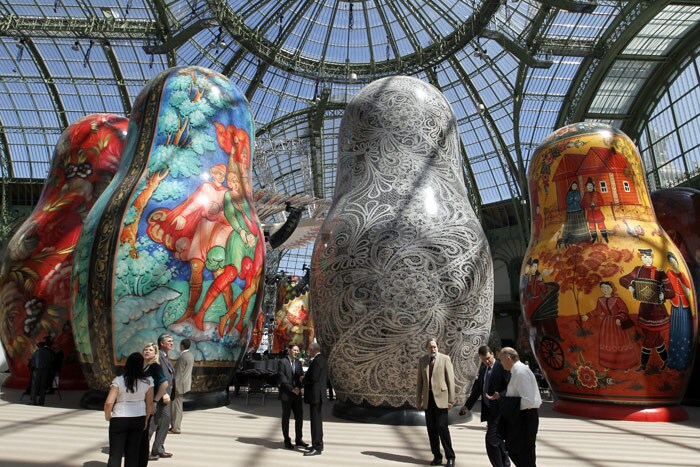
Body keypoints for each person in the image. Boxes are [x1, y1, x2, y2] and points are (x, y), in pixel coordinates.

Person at [146, 164, 232, 325]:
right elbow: (195, 203)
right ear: (212, 173)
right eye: (218, 173)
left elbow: (231, 215)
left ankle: (230, 313)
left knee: (219, 274)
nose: (221, 176)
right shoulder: (206, 187)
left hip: (218, 234)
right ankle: (190, 311)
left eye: (223, 174)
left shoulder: (227, 193)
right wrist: (183, 215)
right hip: (202, 230)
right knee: (196, 269)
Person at [619, 248, 674, 372]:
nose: (647, 259)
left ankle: (643, 365)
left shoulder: (659, 272)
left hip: (657, 311)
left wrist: (663, 295)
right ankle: (666, 361)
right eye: (644, 257)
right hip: (644, 310)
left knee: (649, 339)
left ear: (652, 257)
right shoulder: (637, 270)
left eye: (649, 257)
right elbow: (623, 279)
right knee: (656, 338)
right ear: (641, 258)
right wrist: (631, 287)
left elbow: (671, 291)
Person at [460, 345, 510, 467]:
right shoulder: (483, 369)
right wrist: (467, 406)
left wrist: (500, 395)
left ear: (492, 354)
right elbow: (477, 390)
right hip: (489, 411)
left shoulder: (502, 367)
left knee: (491, 442)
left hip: (500, 411)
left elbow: (510, 387)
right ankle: (506, 463)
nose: (486, 361)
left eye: (488, 358)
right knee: (498, 440)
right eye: (483, 359)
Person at [493, 347, 541, 467]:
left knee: (524, 452)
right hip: (521, 416)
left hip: (525, 417)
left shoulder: (521, 372)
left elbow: (529, 400)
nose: (500, 363)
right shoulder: (517, 371)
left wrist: (506, 402)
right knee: (515, 449)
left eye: (501, 360)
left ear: (508, 358)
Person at [104, 352, 154, 467]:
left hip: (119, 417)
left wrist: (108, 416)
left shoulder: (119, 380)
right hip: (139, 417)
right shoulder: (148, 381)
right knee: (132, 454)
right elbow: (149, 403)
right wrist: (146, 419)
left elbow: (109, 402)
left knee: (115, 454)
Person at [416, 338, 456, 467]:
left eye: (434, 347)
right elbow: (419, 382)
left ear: (437, 347)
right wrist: (418, 400)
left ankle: (450, 457)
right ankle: (437, 457)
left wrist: (451, 399)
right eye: (430, 347)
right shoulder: (422, 361)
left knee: (442, 428)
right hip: (428, 399)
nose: (433, 349)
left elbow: (451, 380)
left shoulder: (445, 359)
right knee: (431, 429)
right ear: (427, 348)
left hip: (442, 399)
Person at [581, 282, 637, 370]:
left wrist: (619, 318)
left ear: (612, 288)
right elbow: (598, 311)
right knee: (608, 342)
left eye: (607, 287)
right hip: (607, 323)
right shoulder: (600, 300)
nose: (605, 289)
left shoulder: (617, 299)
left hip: (617, 323)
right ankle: (608, 364)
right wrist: (588, 315)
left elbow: (624, 310)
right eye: (603, 288)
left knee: (620, 342)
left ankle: (625, 364)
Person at [140, 342, 169, 466]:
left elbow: (164, 383)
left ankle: (144, 453)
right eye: (146, 349)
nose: (147, 351)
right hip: (141, 402)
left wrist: (156, 400)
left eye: (150, 350)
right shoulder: (142, 366)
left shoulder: (155, 367)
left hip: (150, 402)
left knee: (149, 426)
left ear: (155, 353)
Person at [665, 252, 693, 370]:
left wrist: (680, 277)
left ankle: (683, 362)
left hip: (685, 305)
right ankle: (673, 362)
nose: (673, 263)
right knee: (675, 332)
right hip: (675, 304)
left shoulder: (682, 274)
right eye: (670, 262)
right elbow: (667, 285)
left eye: (674, 261)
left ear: (677, 261)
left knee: (684, 331)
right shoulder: (669, 273)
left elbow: (688, 288)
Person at [277, 344, 307, 450]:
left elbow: (300, 376)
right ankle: (287, 440)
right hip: (287, 394)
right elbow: (282, 378)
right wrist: (292, 389)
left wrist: (299, 387)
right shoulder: (282, 362)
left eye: (298, 351)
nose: (296, 352)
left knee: (299, 417)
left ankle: (299, 439)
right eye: (294, 350)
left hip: (297, 395)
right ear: (289, 350)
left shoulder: (298, 363)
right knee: (286, 418)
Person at [149, 334, 175, 460]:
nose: (172, 343)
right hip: (159, 396)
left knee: (165, 421)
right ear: (161, 343)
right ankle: (143, 450)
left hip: (167, 397)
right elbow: (156, 376)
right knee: (152, 423)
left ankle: (158, 448)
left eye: (172, 341)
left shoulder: (166, 356)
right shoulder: (158, 356)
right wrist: (163, 392)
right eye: (169, 341)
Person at [303, 342, 328, 457]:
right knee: (317, 420)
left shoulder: (317, 361)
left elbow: (314, 378)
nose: (309, 352)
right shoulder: (322, 359)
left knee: (315, 422)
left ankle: (316, 446)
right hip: (319, 395)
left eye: (310, 350)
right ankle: (319, 444)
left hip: (315, 395)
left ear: (314, 350)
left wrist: (303, 379)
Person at [170, 339, 194, 434]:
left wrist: (174, 385)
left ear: (182, 345)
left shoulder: (182, 357)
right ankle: (175, 427)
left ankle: (176, 427)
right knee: (178, 406)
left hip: (179, 384)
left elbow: (178, 373)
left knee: (176, 407)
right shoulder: (190, 355)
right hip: (185, 383)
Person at [29, 337, 55, 406]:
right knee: (43, 387)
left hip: (37, 371)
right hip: (45, 370)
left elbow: (32, 362)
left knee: (35, 386)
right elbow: (52, 360)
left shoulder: (36, 352)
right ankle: (41, 402)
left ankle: (34, 401)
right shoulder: (49, 352)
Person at [581, 177, 608, 243]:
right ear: (586, 187)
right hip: (590, 213)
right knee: (592, 226)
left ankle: (605, 236)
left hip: (597, 212)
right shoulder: (585, 195)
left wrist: (595, 204)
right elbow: (583, 203)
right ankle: (594, 237)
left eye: (590, 185)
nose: (589, 187)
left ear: (593, 186)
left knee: (601, 225)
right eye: (588, 186)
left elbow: (602, 202)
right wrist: (588, 205)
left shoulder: (597, 193)